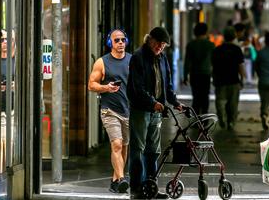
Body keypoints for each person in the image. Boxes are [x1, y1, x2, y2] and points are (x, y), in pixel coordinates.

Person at [127, 27, 183, 199]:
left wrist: (174, 102)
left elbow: (167, 85)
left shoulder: (162, 58)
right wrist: (153, 103)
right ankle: (136, 189)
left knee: (153, 151)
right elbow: (138, 88)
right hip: (141, 110)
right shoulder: (138, 57)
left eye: (164, 44)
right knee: (138, 149)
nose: (160, 46)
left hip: (156, 111)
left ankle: (151, 187)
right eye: (158, 43)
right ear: (149, 39)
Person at [87, 29, 132, 193]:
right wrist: (106, 87)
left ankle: (115, 181)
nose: (120, 43)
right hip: (109, 110)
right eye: (116, 40)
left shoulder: (132, 60)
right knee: (117, 145)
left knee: (125, 147)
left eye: (123, 40)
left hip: (128, 110)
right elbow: (91, 85)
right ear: (110, 43)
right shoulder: (102, 62)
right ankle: (121, 179)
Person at [211, 27, 247, 130]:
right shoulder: (237, 49)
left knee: (220, 102)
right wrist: (243, 78)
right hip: (233, 81)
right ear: (234, 37)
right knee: (233, 104)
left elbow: (213, 66)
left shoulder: (217, 49)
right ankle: (231, 122)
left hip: (220, 81)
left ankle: (222, 119)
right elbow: (241, 66)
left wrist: (213, 78)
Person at [183, 23, 215, 115]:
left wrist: (185, 76)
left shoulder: (191, 45)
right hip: (206, 74)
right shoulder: (210, 45)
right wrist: (215, 76)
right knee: (205, 97)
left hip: (194, 74)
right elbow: (214, 62)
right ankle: (205, 119)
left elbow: (187, 62)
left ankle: (196, 120)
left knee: (196, 97)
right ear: (206, 32)